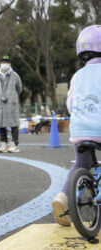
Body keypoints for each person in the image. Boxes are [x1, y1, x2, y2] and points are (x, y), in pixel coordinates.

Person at [52, 25, 101, 226]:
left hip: (80, 129)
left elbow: (70, 104)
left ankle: (62, 197)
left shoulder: (77, 76)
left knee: (81, 165)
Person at [0, 55, 23, 153]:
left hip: (11, 103)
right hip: (0, 103)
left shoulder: (15, 75)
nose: (4, 64)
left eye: (7, 62)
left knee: (14, 124)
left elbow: (19, 88)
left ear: (10, 64)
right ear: (0, 64)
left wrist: (12, 96)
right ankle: (3, 144)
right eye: (3, 62)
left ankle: (14, 145)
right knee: (1, 124)